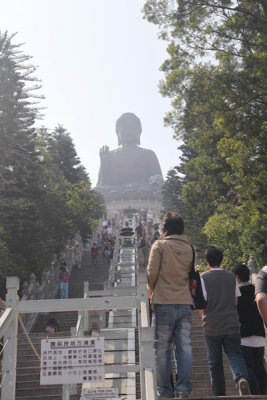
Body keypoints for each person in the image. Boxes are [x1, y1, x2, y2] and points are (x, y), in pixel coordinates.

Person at [147, 212, 194, 399]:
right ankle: (183, 389)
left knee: (162, 349)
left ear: (164, 228)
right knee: (184, 348)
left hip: (163, 302)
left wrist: (151, 289)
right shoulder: (190, 248)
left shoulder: (159, 245)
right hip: (184, 303)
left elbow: (151, 273)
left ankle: (165, 391)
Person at [199, 247, 249, 396]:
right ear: (222, 260)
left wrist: (203, 317)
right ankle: (241, 379)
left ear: (207, 261)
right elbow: (235, 302)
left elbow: (202, 303)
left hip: (211, 326)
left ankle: (219, 395)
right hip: (231, 324)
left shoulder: (203, 277)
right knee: (235, 354)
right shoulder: (231, 277)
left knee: (215, 364)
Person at [232, 263, 266, 395]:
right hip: (260, 335)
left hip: (244, 337)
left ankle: (255, 394)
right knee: (260, 368)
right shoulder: (256, 290)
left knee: (249, 369)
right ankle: (263, 393)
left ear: (236, 277)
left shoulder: (236, 294)